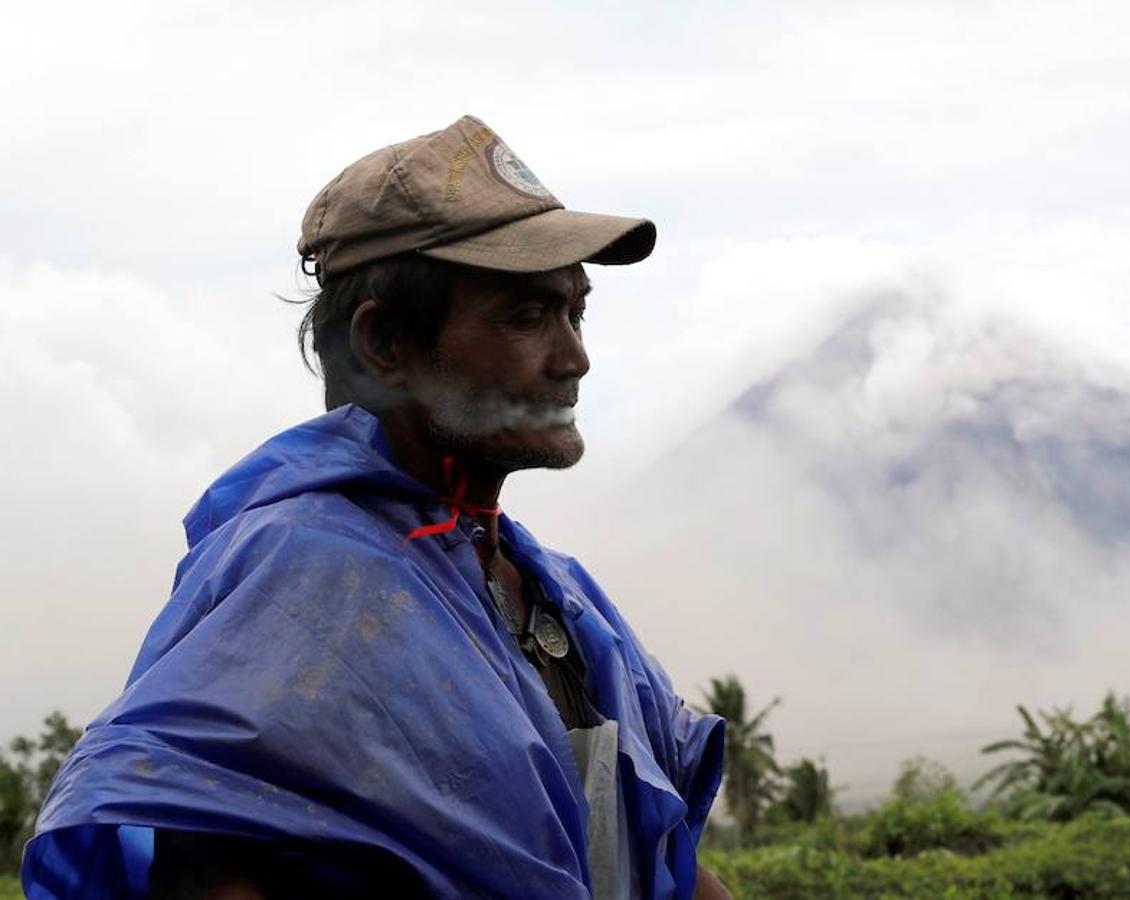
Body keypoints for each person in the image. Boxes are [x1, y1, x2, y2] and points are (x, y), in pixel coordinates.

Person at [23, 115, 730, 899]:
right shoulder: (301, 578)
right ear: (385, 343)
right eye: (527, 316)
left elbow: (655, 850)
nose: (574, 358)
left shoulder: (559, 596)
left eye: (576, 312)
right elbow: (213, 872)